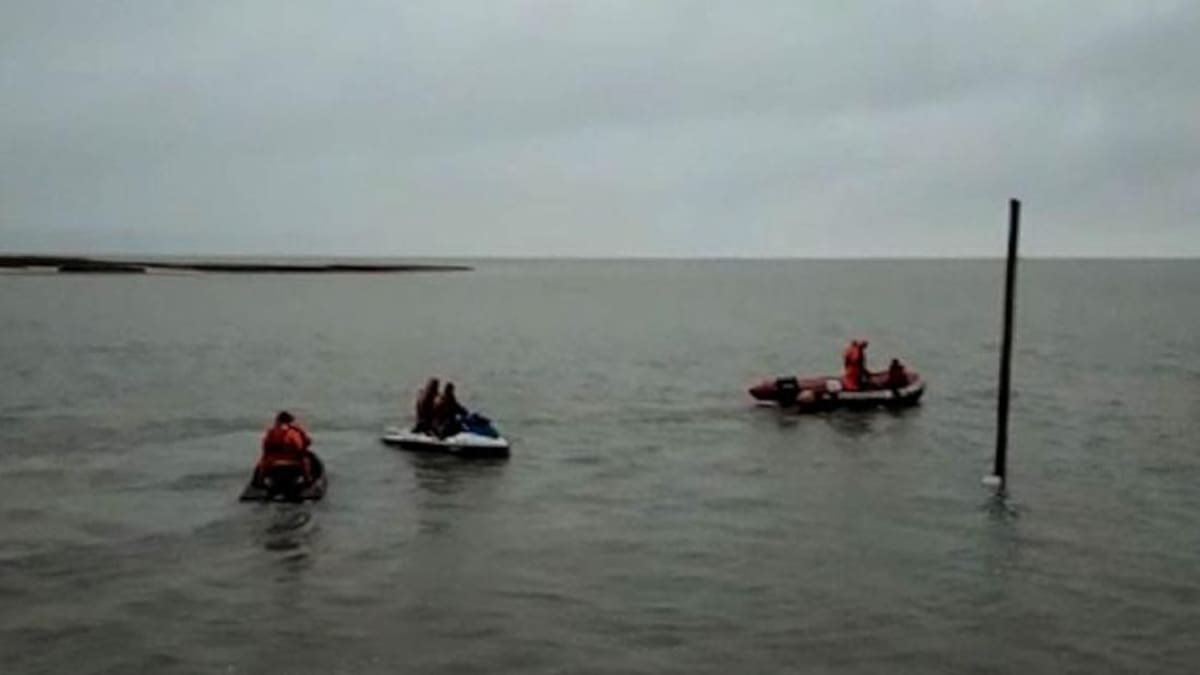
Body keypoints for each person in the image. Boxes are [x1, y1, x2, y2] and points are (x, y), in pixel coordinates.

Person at [256, 411, 313, 484]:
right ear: (290, 422)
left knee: (263, 462)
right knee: (305, 460)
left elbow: (265, 447)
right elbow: (300, 447)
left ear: (278, 420)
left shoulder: (272, 431)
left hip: (273, 462)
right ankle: (307, 480)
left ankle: (260, 481)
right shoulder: (294, 432)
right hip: (293, 462)